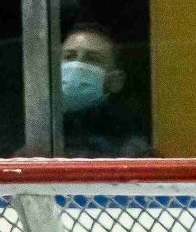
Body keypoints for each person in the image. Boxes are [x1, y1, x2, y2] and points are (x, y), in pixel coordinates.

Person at [58, 24, 153, 157]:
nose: (77, 65)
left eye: (92, 59)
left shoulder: (132, 146)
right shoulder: (37, 128)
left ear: (116, 81)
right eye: (69, 57)